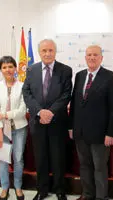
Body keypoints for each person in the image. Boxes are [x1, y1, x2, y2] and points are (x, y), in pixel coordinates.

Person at [69, 45, 113, 200]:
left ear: (101, 58)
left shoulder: (110, 77)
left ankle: (101, 197)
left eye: (95, 55)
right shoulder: (79, 76)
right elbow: (75, 103)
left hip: (100, 134)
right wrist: (71, 127)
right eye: (89, 55)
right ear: (85, 57)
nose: (92, 57)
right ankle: (87, 194)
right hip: (80, 132)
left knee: (99, 168)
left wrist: (110, 133)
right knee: (84, 166)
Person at [22, 39, 72, 200]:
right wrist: (39, 112)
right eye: (44, 51)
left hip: (57, 122)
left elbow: (66, 94)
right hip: (37, 122)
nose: (47, 53)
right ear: (39, 52)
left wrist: (50, 112)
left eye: (50, 50)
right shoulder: (31, 69)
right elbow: (27, 92)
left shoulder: (65, 70)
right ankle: (42, 190)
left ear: (55, 52)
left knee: (58, 157)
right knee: (40, 157)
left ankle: (59, 189)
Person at [0, 56, 28, 200]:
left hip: (19, 127)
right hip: (1, 129)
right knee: (3, 159)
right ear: (1, 69)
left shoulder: (23, 86)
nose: (8, 70)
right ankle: (4, 187)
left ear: (15, 68)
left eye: (10, 66)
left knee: (18, 158)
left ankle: (18, 187)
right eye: (4, 67)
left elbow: (22, 110)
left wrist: (4, 114)